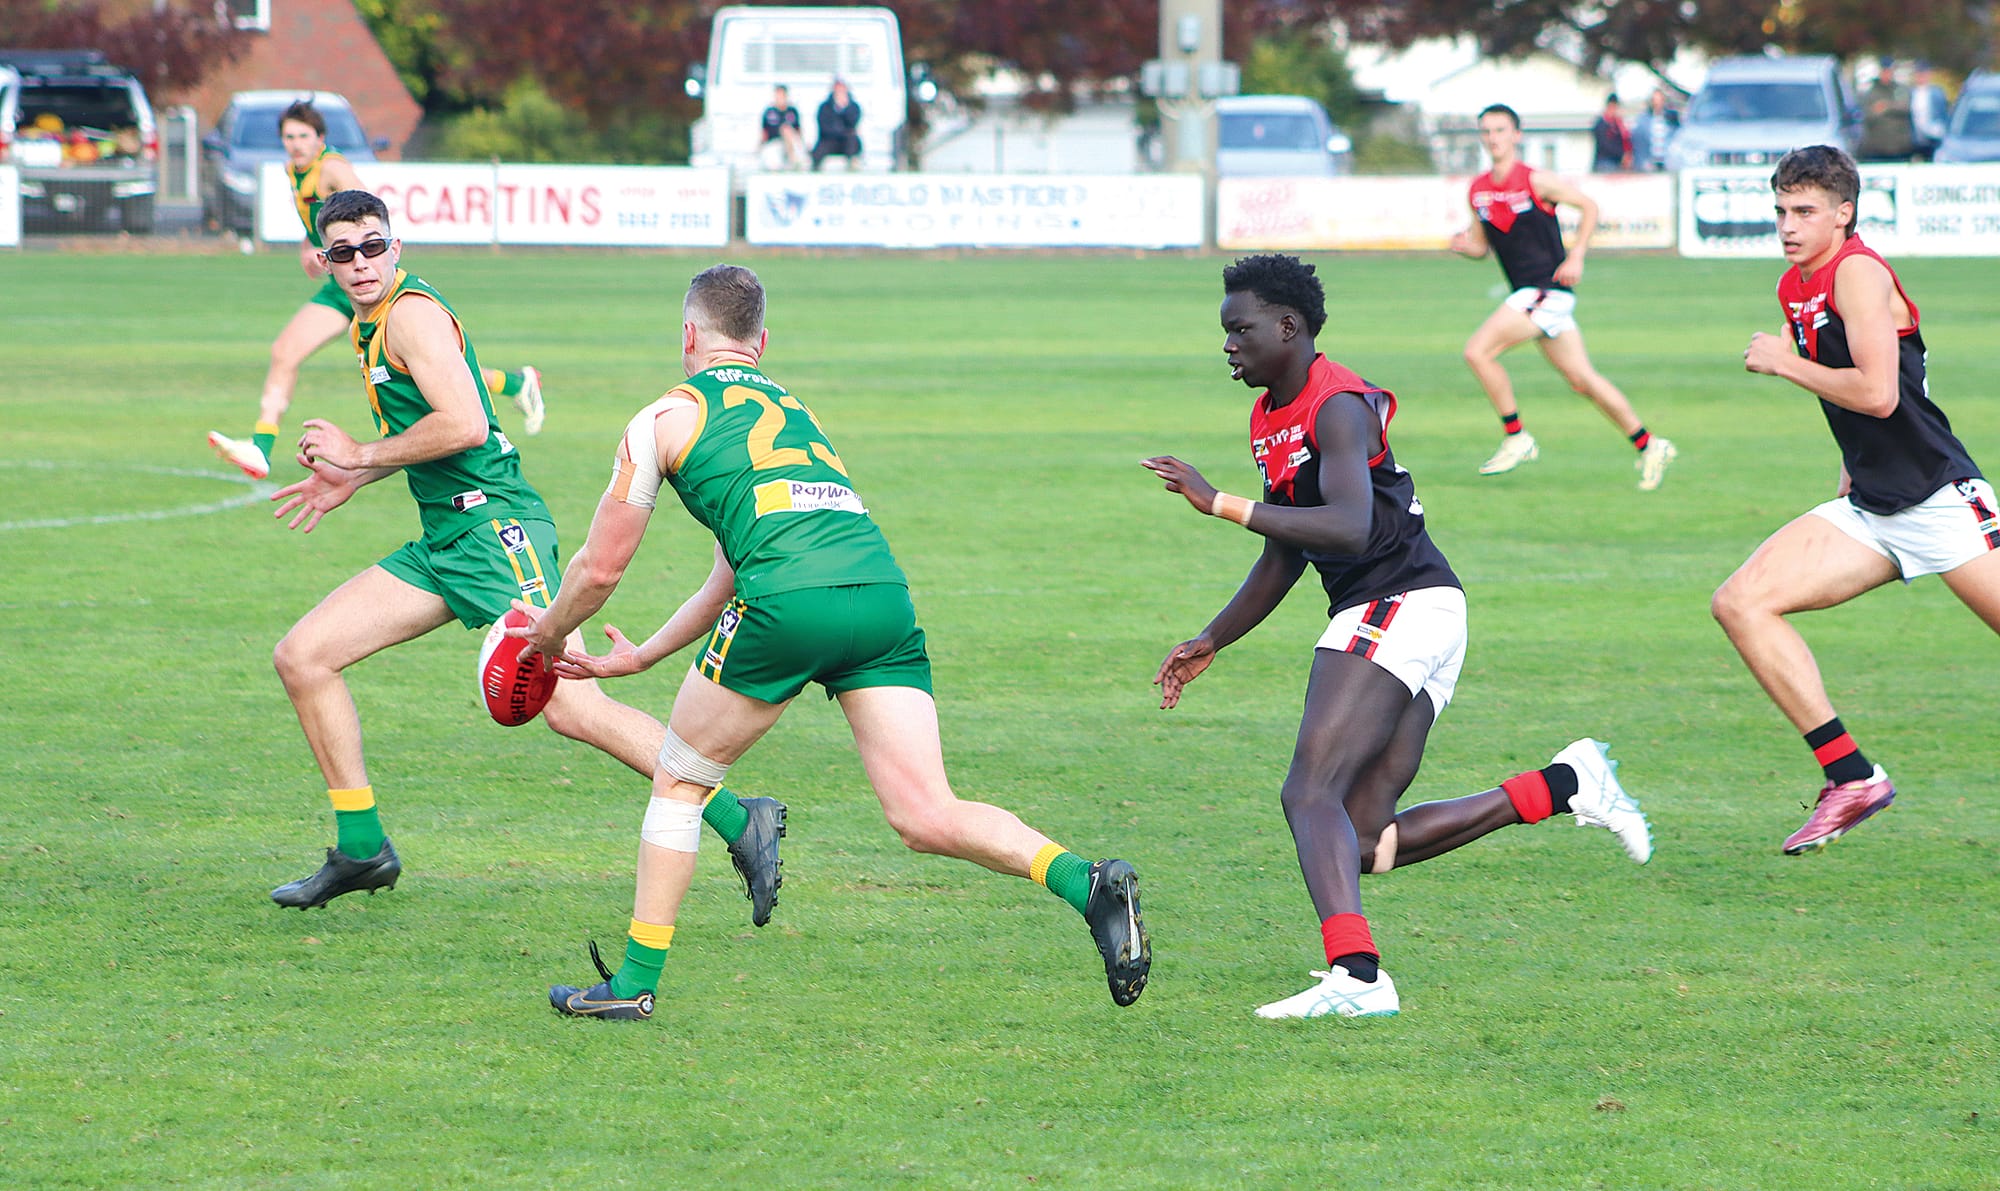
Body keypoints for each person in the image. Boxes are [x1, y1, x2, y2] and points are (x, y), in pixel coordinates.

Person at [511, 263, 1151, 1020]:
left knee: (680, 782)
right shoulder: (798, 413)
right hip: (880, 598)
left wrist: (543, 637)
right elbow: (727, 569)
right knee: (925, 811)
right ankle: (1087, 881)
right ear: (761, 342)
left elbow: (601, 565)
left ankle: (632, 984)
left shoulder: (663, 417)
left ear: (688, 335)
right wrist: (644, 654)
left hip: (788, 603)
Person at [1142, 253, 1652, 1019]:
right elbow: (1289, 548)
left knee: (1308, 791)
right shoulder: (1269, 416)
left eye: (1239, 329)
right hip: (1420, 608)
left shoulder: (1338, 403)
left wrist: (1219, 503)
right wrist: (1214, 637)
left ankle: (1357, 975)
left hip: (1395, 601)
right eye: (1226, 332)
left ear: (1289, 326)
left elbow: (1347, 527)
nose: (1229, 345)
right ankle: (1566, 784)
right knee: (1362, 835)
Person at [261, 190, 785, 925]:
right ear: (325, 261)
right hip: (446, 540)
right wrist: (357, 473)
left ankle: (739, 817)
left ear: (397, 247)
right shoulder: (367, 322)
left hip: (495, 532)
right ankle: (361, 846)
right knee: (304, 655)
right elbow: (433, 427)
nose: (360, 263)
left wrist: (361, 451)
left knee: (573, 707)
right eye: (343, 252)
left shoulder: (409, 314)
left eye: (373, 245)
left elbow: (467, 424)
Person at [1715, 145, 1999, 854]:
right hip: (1873, 507)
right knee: (1741, 602)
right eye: (1780, 209)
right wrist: (1850, 464)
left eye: (1804, 211)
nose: (1788, 224)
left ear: (1844, 213)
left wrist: (1786, 363)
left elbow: (1877, 392)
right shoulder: (1794, 285)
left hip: (1939, 499)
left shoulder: (1860, 273)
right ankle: (1852, 777)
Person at [207, 100, 545, 483]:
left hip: (357, 282)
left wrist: (351, 254)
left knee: (418, 366)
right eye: (289, 136)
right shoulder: (293, 171)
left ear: (320, 138)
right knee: (298, 353)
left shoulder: (332, 168)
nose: (296, 144)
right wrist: (309, 243)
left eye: (304, 136)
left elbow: (363, 214)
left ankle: (261, 446)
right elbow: (323, 221)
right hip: (341, 283)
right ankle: (516, 383)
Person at [1449, 103, 1678, 490]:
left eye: (1500, 130)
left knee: (1478, 352)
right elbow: (1481, 246)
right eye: (1487, 132)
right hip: (1532, 297)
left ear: (1516, 135)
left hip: (1546, 291)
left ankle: (1516, 436)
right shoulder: (1479, 190)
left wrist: (1577, 254)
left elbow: (1589, 206)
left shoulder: (1536, 181)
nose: (1493, 138)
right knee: (1582, 380)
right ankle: (1649, 444)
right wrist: (1461, 247)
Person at [1859, 62, 1915, 162]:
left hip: (1900, 147)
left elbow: (1906, 107)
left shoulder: (1900, 89)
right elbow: (1865, 115)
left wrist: (1887, 106)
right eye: (1884, 71)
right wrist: (1876, 111)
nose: (1886, 74)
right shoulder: (1870, 93)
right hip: (1878, 148)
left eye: (1889, 71)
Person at [811, 79, 862, 171]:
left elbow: (853, 123)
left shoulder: (853, 107)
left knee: (852, 140)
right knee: (820, 148)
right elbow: (824, 127)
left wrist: (844, 108)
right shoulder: (824, 107)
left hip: (846, 140)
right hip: (829, 140)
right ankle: (815, 168)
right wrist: (840, 130)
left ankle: (852, 167)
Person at [1629, 88, 1679, 173]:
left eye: (1660, 100)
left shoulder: (1671, 119)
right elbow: (1638, 142)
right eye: (1655, 100)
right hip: (1649, 164)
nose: (1657, 103)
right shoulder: (1643, 119)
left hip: (1666, 163)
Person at [758, 84, 806, 170]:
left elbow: (798, 130)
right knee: (773, 158)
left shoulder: (792, 111)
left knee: (788, 132)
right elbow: (764, 132)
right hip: (774, 142)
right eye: (777, 95)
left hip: (792, 143)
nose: (779, 98)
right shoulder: (769, 112)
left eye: (781, 95)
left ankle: (794, 161)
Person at [1910, 65, 1948, 161]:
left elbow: (1943, 113)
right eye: (1919, 74)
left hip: (1934, 136)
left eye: (1924, 74)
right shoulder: (1911, 93)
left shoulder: (1937, 93)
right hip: (1917, 138)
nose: (1921, 77)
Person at [1590, 95, 1631, 172]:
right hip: (1605, 162)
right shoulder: (1601, 124)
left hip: (1617, 162)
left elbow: (1625, 139)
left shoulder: (1618, 124)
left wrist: (1627, 155)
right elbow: (1605, 144)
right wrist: (1622, 155)